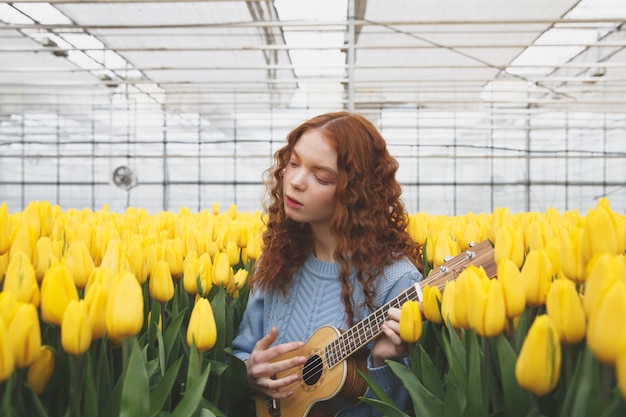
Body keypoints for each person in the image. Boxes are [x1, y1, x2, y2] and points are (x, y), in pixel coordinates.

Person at [232, 111, 423, 417]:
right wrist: (248, 371)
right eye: (293, 164)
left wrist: (384, 364)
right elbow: (243, 349)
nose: (294, 182)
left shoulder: (396, 281)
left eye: (320, 177)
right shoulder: (279, 258)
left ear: (355, 193)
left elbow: (398, 410)